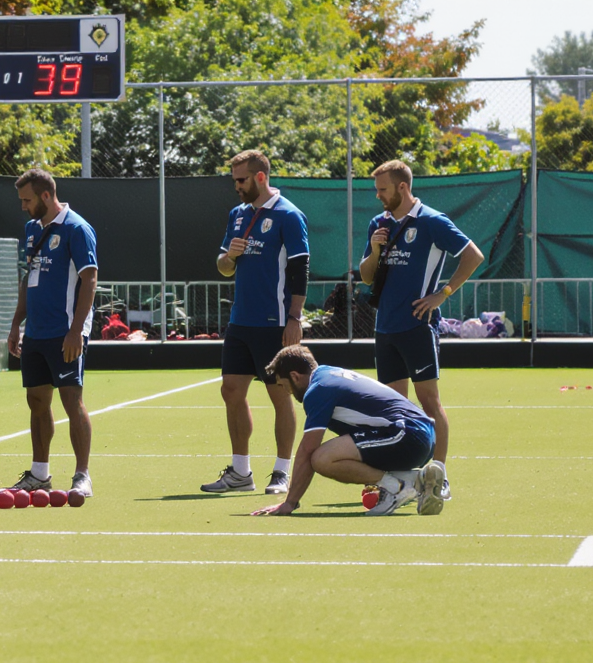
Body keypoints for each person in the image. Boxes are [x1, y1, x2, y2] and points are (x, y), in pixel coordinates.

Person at [358, 160, 484, 513]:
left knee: (429, 403)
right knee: (393, 408)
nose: (378, 196)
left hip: (417, 326)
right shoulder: (378, 224)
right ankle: (399, 478)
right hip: (385, 328)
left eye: (383, 189)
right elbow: (366, 276)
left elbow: (473, 256)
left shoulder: (431, 221)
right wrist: (375, 249)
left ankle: (439, 475)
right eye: (376, 190)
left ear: (402, 187)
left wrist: (443, 294)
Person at [201, 150, 309, 496]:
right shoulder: (237, 215)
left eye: (241, 179)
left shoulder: (289, 215)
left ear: (260, 177)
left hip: (274, 322)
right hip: (241, 322)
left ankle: (281, 472)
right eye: (234, 179)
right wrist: (230, 256)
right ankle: (240, 472)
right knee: (231, 391)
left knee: (280, 395)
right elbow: (223, 267)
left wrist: (294, 318)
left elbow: (300, 270)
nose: (236, 186)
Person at [250, 345, 443, 517]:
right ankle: (416, 480)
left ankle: (398, 488)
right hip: (421, 436)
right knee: (341, 450)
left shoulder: (318, 390)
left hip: (407, 435)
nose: (288, 392)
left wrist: (289, 503)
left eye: (284, 385)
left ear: (294, 376)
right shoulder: (328, 373)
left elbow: (307, 449)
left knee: (322, 458)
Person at [6, 168, 97, 497]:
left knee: (72, 400)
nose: (23, 206)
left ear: (46, 195)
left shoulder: (77, 228)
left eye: (27, 200)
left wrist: (76, 331)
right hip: (36, 332)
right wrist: (16, 323)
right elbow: (28, 278)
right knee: (36, 401)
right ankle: (39, 474)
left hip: (65, 332)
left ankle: (82, 476)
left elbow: (90, 279)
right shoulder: (32, 229)